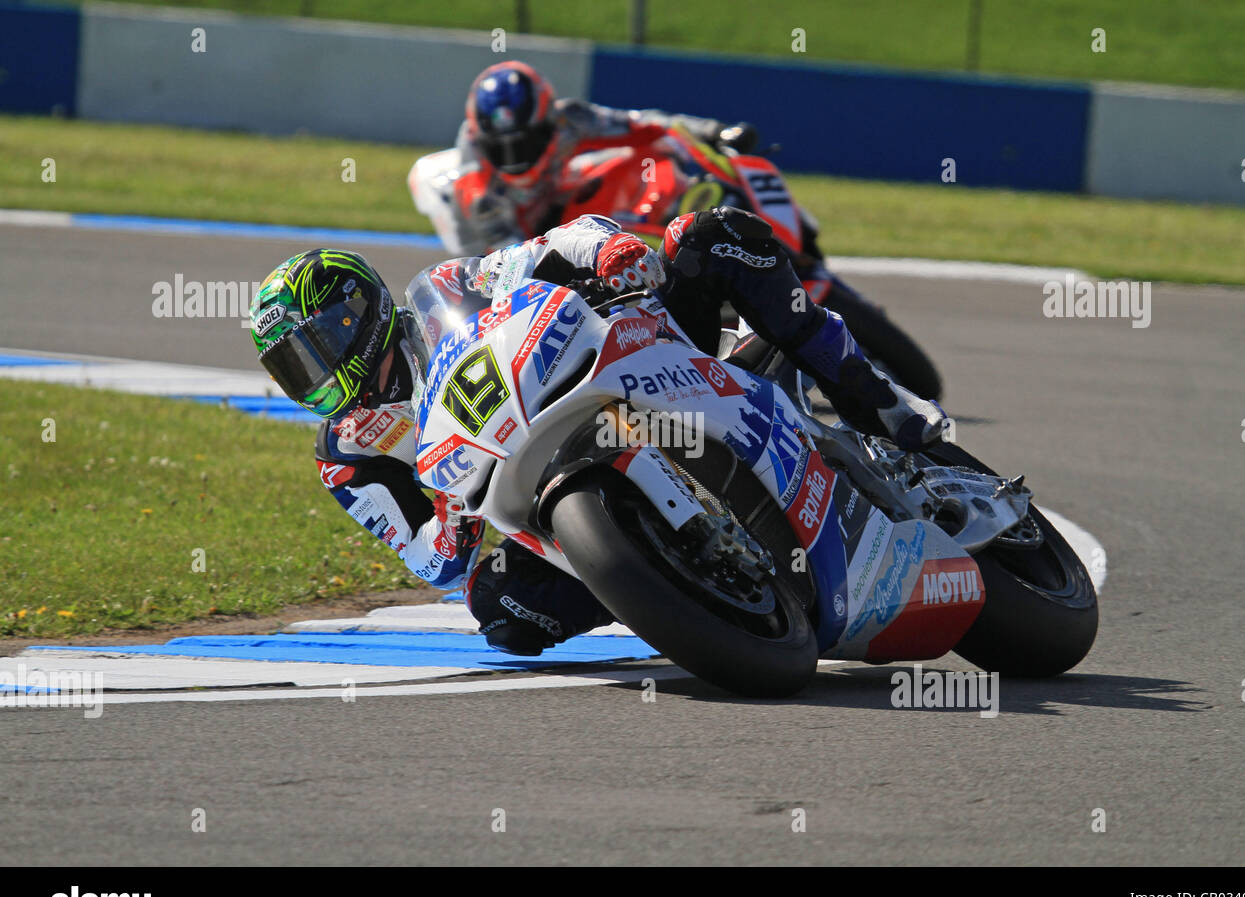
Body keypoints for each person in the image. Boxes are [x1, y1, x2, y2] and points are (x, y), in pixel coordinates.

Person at [248, 208, 943, 656]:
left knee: (705, 239)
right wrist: (449, 513)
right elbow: (430, 563)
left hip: (623, 366)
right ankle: (680, 589)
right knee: (501, 610)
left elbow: (543, 248)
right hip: (525, 493)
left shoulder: (446, 290)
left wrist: (607, 250)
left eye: (314, 350)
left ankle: (881, 402)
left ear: (356, 316)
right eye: (291, 368)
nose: (311, 378)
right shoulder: (348, 456)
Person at [430, 59, 757, 255]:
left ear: (547, 122)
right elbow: (511, 262)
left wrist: (714, 130)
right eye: (502, 149)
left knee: (649, 154)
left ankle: (673, 223)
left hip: (552, 198)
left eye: (525, 143)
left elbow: (644, 125)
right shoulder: (478, 192)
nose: (516, 158)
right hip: (496, 253)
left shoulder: (567, 119)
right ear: (483, 140)